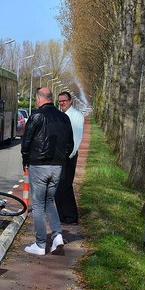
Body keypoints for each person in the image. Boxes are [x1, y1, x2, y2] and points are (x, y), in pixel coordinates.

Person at [20, 87, 73, 256]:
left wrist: (25, 160)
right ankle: (57, 236)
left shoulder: (36, 116)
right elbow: (69, 144)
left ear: (40, 99)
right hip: (57, 166)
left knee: (38, 205)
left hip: (39, 165)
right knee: (50, 201)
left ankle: (40, 243)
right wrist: (61, 160)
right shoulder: (64, 118)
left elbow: (26, 141)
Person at [56, 91, 84, 224]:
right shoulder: (61, 115)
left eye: (64, 101)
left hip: (68, 156)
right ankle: (61, 216)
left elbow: (76, 138)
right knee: (57, 186)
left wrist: (70, 155)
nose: (62, 103)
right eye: (60, 101)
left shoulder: (76, 116)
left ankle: (71, 216)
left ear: (70, 101)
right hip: (60, 155)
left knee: (65, 185)